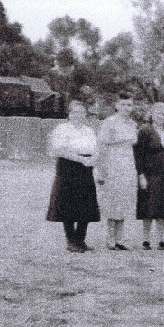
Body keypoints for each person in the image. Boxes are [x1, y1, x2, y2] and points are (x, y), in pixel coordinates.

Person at [46, 100, 100, 252]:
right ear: (69, 114)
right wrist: (81, 159)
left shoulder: (89, 130)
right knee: (68, 203)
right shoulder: (62, 129)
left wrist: (93, 159)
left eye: (82, 112)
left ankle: (81, 239)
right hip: (68, 167)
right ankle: (71, 240)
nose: (78, 115)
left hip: (86, 168)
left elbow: (96, 148)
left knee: (86, 204)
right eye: (75, 112)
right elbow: (59, 150)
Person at [134, 102, 164, 250]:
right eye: (159, 113)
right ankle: (146, 239)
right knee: (148, 206)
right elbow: (138, 155)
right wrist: (141, 175)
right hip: (150, 174)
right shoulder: (144, 130)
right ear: (152, 114)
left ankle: (160, 239)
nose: (162, 116)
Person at [96, 96, 138, 250]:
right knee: (112, 200)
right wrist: (101, 169)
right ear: (117, 105)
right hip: (112, 164)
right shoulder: (109, 122)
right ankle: (110, 237)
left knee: (124, 200)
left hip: (127, 165)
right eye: (124, 104)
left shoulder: (133, 124)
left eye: (129, 104)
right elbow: (101, 146)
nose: (127, 107)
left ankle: (120, 238)